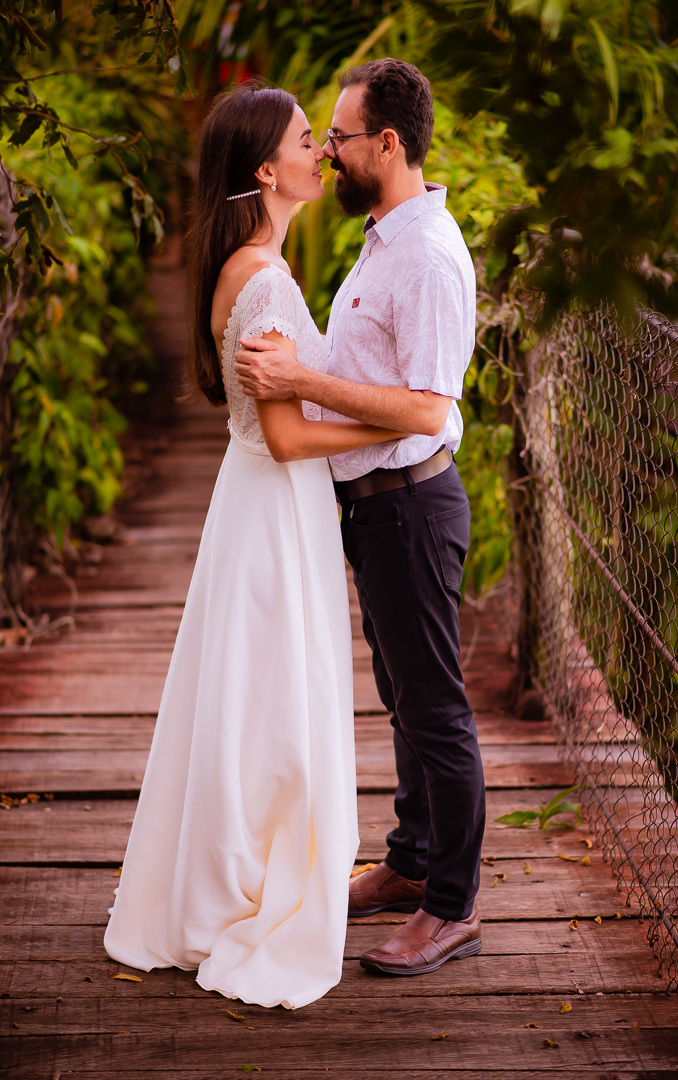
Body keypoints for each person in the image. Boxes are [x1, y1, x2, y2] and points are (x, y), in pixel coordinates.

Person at [103, 83, 409, 1009]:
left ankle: (218, 871)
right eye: (305, 140)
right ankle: (247, 882)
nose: (322, 151)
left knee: (246, 695)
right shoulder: (265, 277)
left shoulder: (244, 263)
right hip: (276, 501)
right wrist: (404, 426)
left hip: (255, 504)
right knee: (274, 697)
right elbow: (284, 436)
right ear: (261, 169)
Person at [234, 58, 486, 976]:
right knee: (405, 700)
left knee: (434, 708)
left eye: (340, 138)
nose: (330, 152)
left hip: (411, 506)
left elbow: (425, 408)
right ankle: (410, 863)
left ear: (388, 143)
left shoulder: (423, 255)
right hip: (378, 511)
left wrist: (298, 381)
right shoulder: (385, 237)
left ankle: (451, 907)